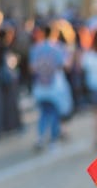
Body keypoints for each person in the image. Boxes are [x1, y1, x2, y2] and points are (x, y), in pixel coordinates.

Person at [29, 23, 73, 151]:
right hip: (55, 85)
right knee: (54, 112)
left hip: (40, 85)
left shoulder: (36, 48)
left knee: (43, 112)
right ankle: (53, 139)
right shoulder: (58, 48)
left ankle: (41, 136)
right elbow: (65, 66)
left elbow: (32, 68)